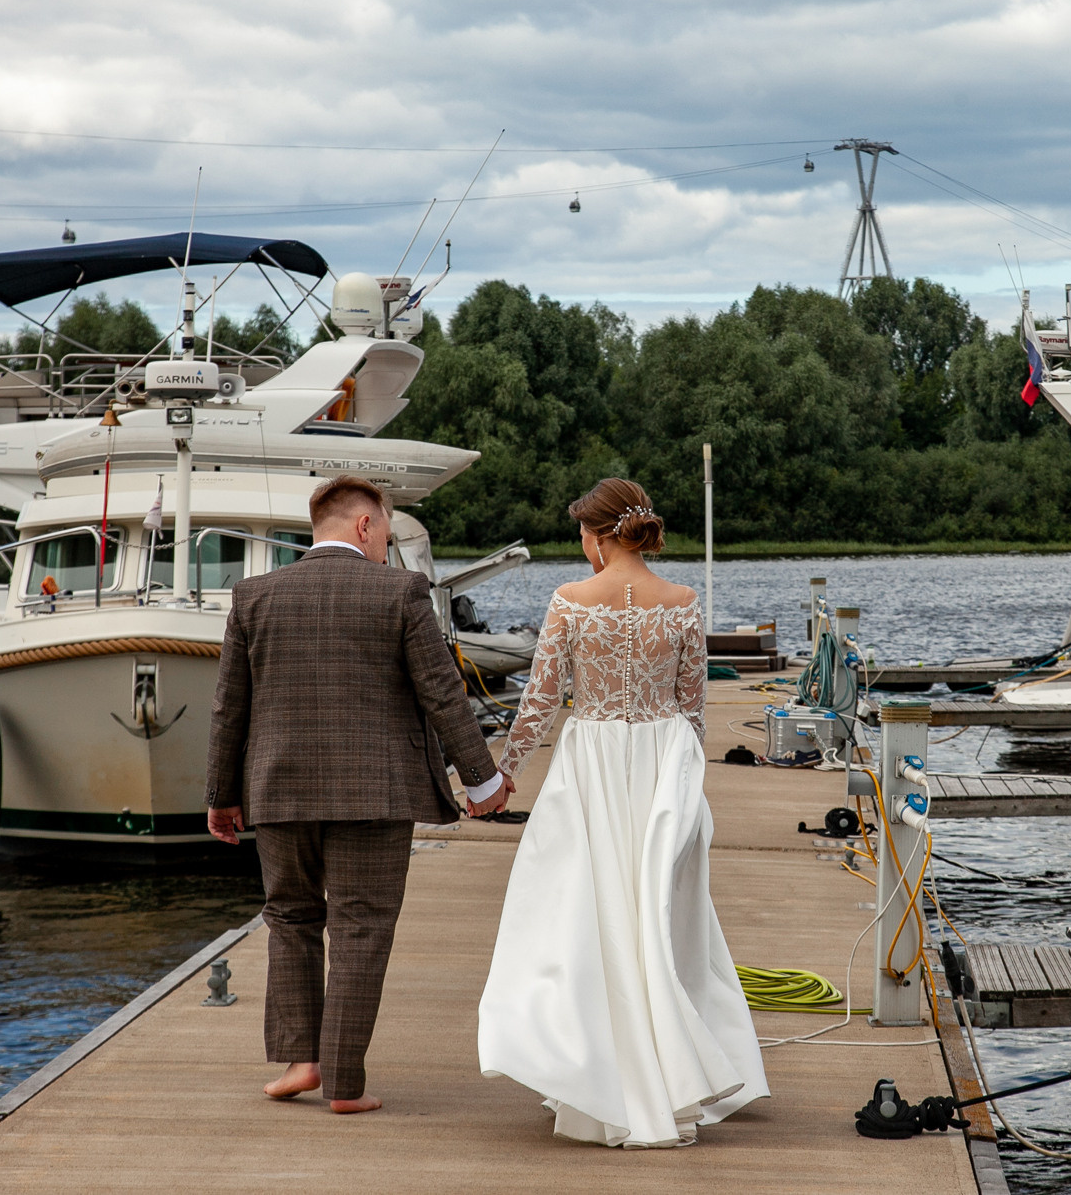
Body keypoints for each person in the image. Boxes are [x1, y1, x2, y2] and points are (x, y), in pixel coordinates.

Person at [477, 477, 768, 1147]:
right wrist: (689, 789)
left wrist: (504, 774)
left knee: (587, 916)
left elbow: (540, 701)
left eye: (582, 534)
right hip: (664, 767)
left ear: (597, 536)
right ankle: (670, 1073)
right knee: (659, 922)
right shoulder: (683, 602)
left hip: (593, 767)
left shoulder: (571, 601)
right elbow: (693, 709)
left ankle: (600, 1073)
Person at [206, 474, 510, 1113]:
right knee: (361, 926)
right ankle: (345, 1083)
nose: (385, 548)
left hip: (279, 789)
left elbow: (230, 707)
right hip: (377, 792)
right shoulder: (400, 591)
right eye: (386, 535)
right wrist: (482, 780)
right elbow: (441, 692)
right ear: (365, 525)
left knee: (290, 918)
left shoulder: (254, 595)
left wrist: (221, 795)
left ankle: (301, 1062)